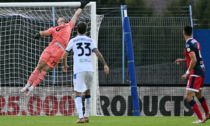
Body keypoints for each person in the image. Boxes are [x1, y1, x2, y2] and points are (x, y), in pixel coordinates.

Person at [20, 0, 90, 96]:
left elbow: (76, 15)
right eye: (59, 18)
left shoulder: (69, 25)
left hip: (59, 53)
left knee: (45, 71)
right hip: (51, 48)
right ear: (58, 22)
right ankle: (26, 86)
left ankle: (31, 89)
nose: (60, 17)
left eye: (61, 18)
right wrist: (39, 34)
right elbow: (46, 32)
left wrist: (82, 6)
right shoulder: (54, 28)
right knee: (40, 66)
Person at [62, 22, 109, 123]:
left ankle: (80, 117)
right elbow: (97, 53)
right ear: (86, 30)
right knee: (87, 92)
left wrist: (65, 65)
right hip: (90, 69)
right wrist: (105, 64)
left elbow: (64, 55)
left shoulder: (73, 40)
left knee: (77, 93)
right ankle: (86, 116)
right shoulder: (90, 40)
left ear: (77, 30)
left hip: (79, 70)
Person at [175, 25, 210, 123]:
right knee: (199, 95)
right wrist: (183, 60)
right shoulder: (195, 42)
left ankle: (200, 119)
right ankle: (207, 114)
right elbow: (195, 57)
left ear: (183, 33)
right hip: (202, 71)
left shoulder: (188, 44)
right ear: (192, 33)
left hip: (195, 73)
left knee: (188, 97)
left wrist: (187, 73)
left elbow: (194, 60)